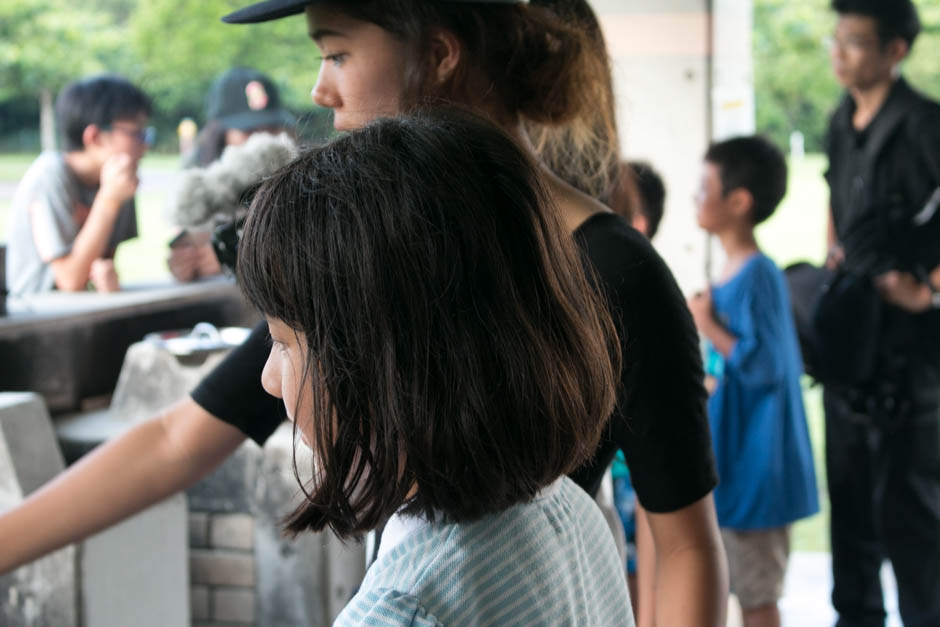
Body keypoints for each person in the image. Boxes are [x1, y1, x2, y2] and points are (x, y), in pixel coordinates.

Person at [0, 2, 728, 623]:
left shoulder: (613, 270)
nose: (320, 89)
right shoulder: (378, 259)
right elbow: (174, 440)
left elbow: (686, 540)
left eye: (339, 53)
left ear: (439, 54)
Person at [238, 109, 631, 624]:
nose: (269, 378)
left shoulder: (406, 608)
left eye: (284, 342)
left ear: (387, 366)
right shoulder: (570, 511)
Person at [823, 1, 940, 624]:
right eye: (835, 39)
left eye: (856, 42)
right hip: (851, 354)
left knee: (915, 527)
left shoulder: (926, 125)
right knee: (850, 526)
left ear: (895, 50)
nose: (839, 53)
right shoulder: (840, 122)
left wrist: (928, 291)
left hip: (912, 358)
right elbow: (834, 203)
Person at [687, 136, 819, 627]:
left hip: (758, 471)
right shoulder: (729, 274)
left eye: (705, 188)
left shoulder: (760, 274)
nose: (695, 198)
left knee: (758, 599)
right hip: (733, 467)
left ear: (738, 202)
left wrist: (707, 324)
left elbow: (768, 368)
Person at [5, 75, 152, 296]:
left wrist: (106, 278)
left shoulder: (117, 182)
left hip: (85, 314)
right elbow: (70, 280)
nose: (145, 145)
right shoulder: (49, 175)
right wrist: (108, 201)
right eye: (136, 134)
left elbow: (102, 264)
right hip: (37, 316)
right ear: (94, 137)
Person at [169, 67, 296, 282]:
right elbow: (186, 241)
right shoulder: (202, 179)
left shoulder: (301, 178)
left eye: (272, 128)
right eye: (249, 131)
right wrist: (185, 261)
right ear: (220, 134)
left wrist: (238, 255)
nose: (262, 140)